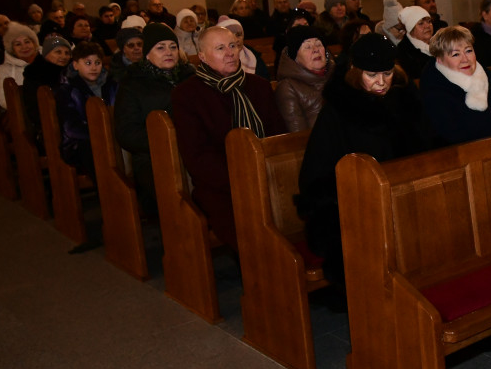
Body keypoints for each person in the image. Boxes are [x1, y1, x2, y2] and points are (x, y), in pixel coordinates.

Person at [296, 32, 430, 288]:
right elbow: (317, 176)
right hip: (354, 207)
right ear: (356, 73)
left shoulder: (406, 100)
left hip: (403, 197)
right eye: (371, 75)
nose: (381, 82)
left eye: (388, 73)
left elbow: (425, 148)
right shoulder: (338, 112)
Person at [171, 26, 285, 250]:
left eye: (233, 46)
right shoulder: (188, 95)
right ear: (202, 57)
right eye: (220, 48)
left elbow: (278, 135)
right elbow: (197, 155)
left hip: (267, 173)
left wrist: (269, 172)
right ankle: (263, 276)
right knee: (248, 228)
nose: (230, 53)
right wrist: (244, 180)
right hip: (221, 185)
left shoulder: (258, 86)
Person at [114, 23, 195, 213]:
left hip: (193, 148)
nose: (168, 52)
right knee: (172, 185)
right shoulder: (133, 83)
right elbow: (127, 132)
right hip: (153, 155)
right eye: (160, 47)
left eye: (173, 47)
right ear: (148, 53)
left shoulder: (189, 76)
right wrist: (166, 141)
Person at [420, 25, 491, 145]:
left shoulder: (489, 81)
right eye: (455, 54)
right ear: (439, 60)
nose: (465, 59)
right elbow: (451, 142)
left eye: (468, 51)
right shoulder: (436, 94)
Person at [55, 41, 118, 177]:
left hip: (113, 136)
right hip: (79, 143)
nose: (94, 67)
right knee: (94, 151)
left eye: (98, 62)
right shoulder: (68, 90)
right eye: (88, 63)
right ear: (75, 65)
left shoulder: (112, 85)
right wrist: (102, 134)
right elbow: (71, 128)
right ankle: (106, 189)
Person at [275, 26, 333, 133]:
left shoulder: (338, 75)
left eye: (319, 44)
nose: (316, 50)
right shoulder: (288, 87)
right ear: (295, 57)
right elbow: (299, 136)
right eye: (307, 47)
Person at [22, 34, 73, 148]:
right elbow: (33, 108)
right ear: (46, 54)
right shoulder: (35, 75)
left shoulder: (72, 73)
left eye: (67, 53)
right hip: (49, 126)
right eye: (58, 52)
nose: (63, 56)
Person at [0, 24, 40, 110]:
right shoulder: (4, 70)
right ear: (13, 50)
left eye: (27, 42)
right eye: (18, 44)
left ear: (34, 44)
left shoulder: (47, 60)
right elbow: (3, 99)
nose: (24, 47)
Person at [396, 5, 434, 79]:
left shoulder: (440, 43)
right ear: (410, 28)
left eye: (429, 21)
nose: (427, 26)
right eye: (421, 23)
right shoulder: (404, 51)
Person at [109, 18, 146, 83]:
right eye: (131, 45)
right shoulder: (116, 69)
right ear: (123, 49)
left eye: (139, 44)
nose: (136, 48)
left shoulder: (151, 63)